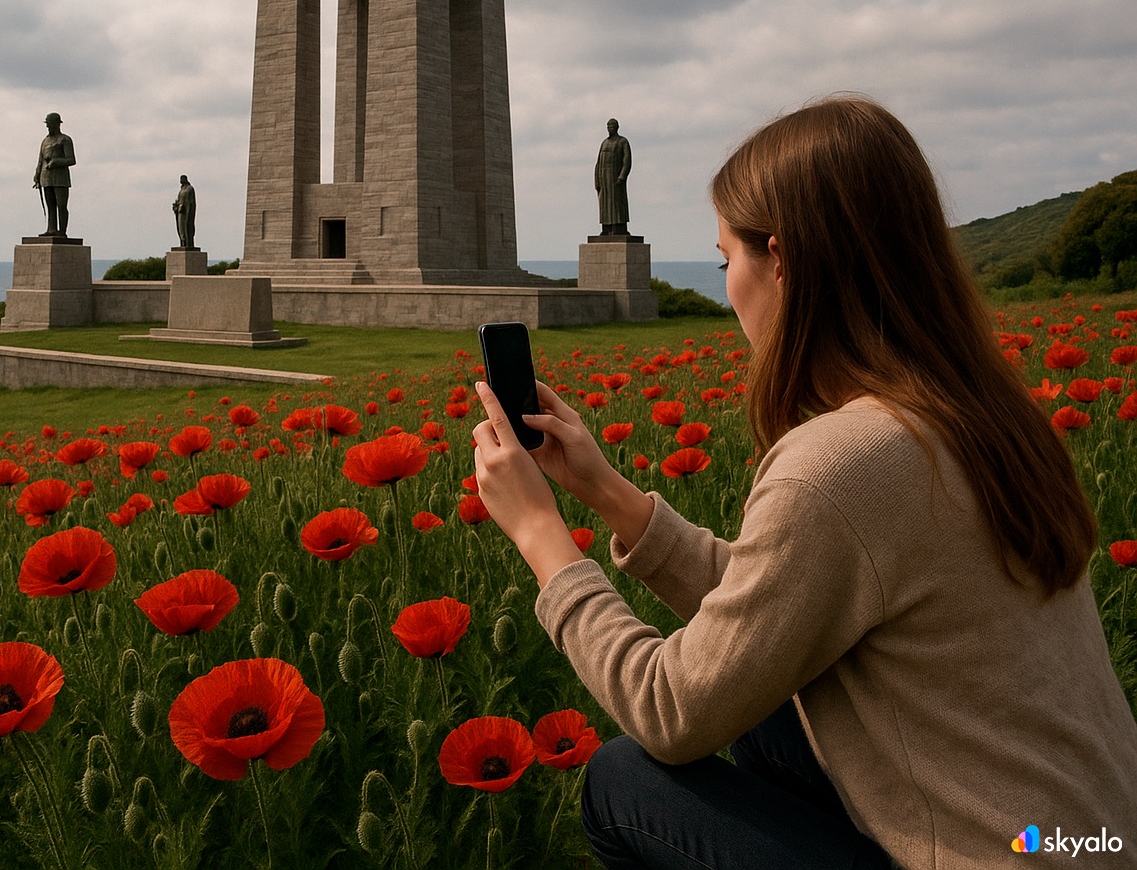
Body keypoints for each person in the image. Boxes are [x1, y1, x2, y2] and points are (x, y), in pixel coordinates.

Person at [471, 95, 1137, 869]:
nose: (727, 288)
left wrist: (542, 537)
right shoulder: (982, 413)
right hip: (1087, 839)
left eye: (728, 261)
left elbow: (669, 708)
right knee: (762, 702)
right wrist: (608, 494)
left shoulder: (840, 464)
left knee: (622, 778)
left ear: (780, 260)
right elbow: (778, 605)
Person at [33, 112, 76, 236]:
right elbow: (40, 160)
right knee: (50, 205)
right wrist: (37, 175)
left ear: (57, 124)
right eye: (47, 125)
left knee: (61, 205)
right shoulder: (45, 141)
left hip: (61, 178)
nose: (48, 127)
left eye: (50, 124)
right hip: (46, 177)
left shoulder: (65, 140)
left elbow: (71, 159)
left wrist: (56, 162)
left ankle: (62, 231)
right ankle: (51, 229)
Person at [594, 118, 632, 236]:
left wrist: (622, 176)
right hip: (604, 180)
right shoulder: (604, 143)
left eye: (612, 126)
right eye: (608, 126)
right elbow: (598, 162)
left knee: (617, 204)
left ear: (617, 127)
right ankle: (606, 228)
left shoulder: (622, 142)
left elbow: (627, 161)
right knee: (605, 204)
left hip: (616, 180)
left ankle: (618, 227)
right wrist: (597, 180)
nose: (609, 128)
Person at [173, 175, 197, 249]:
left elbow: (191, 202)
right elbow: (179, 200)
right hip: (180, 212)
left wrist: (185, 207)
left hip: (187, 212)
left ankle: (188, 243)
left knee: (187, 227)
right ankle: (183, 242)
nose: (181, 181)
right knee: (181, 228)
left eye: (182, 179)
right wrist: (176, 206)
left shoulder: (190, 189)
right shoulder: (181, 190)